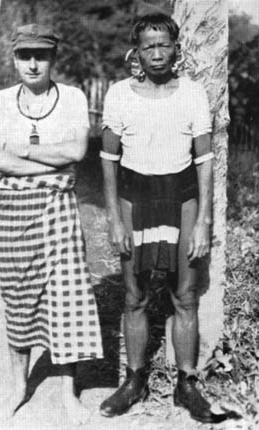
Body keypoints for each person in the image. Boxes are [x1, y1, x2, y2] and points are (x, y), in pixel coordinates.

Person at [99, 11, 220, 423]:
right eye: (148, 46)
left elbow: (204, 159)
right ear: (137, 51)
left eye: (163, 45)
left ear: (176, 49)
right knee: (134, 294)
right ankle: (135, 380)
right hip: (135, 197)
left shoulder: (193, 93)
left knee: (185, 295)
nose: (156, 54)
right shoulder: (118, 94)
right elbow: (108, 158)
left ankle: (187, 385)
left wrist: (204, 220)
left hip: (181, 197)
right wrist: (114, 218)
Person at [0, 23, 103, 426]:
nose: (33, 64)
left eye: (41, 55)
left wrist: (19, 148)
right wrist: (47, 161)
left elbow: (77, 151)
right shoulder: (0, 101)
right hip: (14, 211)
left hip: (59, 208)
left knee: (65, 297)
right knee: (18, 299)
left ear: (54, 58)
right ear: (14, 58)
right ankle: (19, 386)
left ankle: (69, 392)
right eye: (24, 55)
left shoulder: (70, 97)